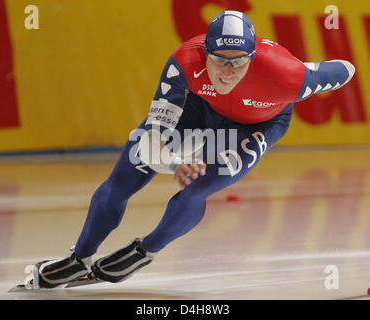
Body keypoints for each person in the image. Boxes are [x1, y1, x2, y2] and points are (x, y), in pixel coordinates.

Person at [30, 10, 355, 288]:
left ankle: (146, 251)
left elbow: (345, 68)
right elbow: (154, 135)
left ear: (253, 57)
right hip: (199, 110)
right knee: (126, 172)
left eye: (238, 62)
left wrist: (307, 67)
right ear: (204, 53)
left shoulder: (288, 76)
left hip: (256, 126)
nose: (228, 72)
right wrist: (173, 164)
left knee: (196, 189)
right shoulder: (184, 61)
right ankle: (80, 256)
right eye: (219, 61)